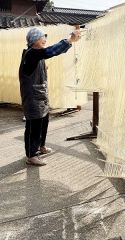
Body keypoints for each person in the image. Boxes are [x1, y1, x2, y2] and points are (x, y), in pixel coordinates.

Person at [19, 26, 81, 166]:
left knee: (43, 122)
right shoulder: (31, 53)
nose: (45, 40)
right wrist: (70, 39)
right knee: (33, 125)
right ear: (35, 40)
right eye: (42, 37)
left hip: (40, 96)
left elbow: (46, 53)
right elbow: (51, 51)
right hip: (33, 98)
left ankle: (41, 146)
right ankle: (31, 155)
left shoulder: (36, 55)